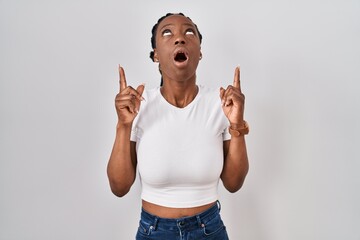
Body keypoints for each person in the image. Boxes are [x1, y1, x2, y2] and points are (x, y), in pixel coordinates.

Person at [107, 12, 249, 240]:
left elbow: (233, 183)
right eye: (167, 33)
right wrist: (124, 125)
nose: (180, 38)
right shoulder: (138, 106)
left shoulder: (221, 103)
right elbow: (119, 187)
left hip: (209, 231)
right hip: (154, 232)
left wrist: (237, 124)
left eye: (189, 32)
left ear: (200, 52)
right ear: (155, 55)